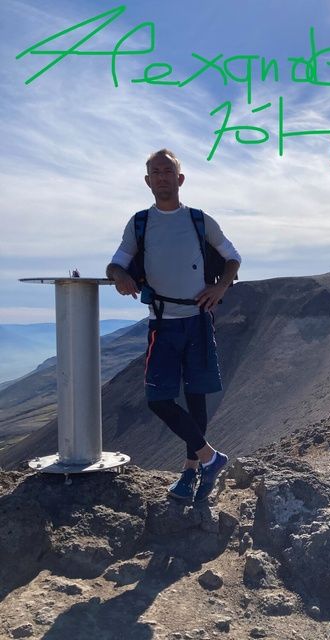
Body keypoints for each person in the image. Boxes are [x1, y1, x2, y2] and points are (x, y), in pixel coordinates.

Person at [106, 149, 241, 503]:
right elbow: (116, 263)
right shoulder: (139, 223)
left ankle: (191, 471)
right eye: (156, 172)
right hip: (162, 324)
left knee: (196, 399)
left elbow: (232, 257)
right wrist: (119, 276)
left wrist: (221, 288)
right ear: (147, 180)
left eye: (168, 171)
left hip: (197, 320)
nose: (162, 177)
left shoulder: (200, 220)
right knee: (159, 399)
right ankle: (211, 458)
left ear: (180, 179)